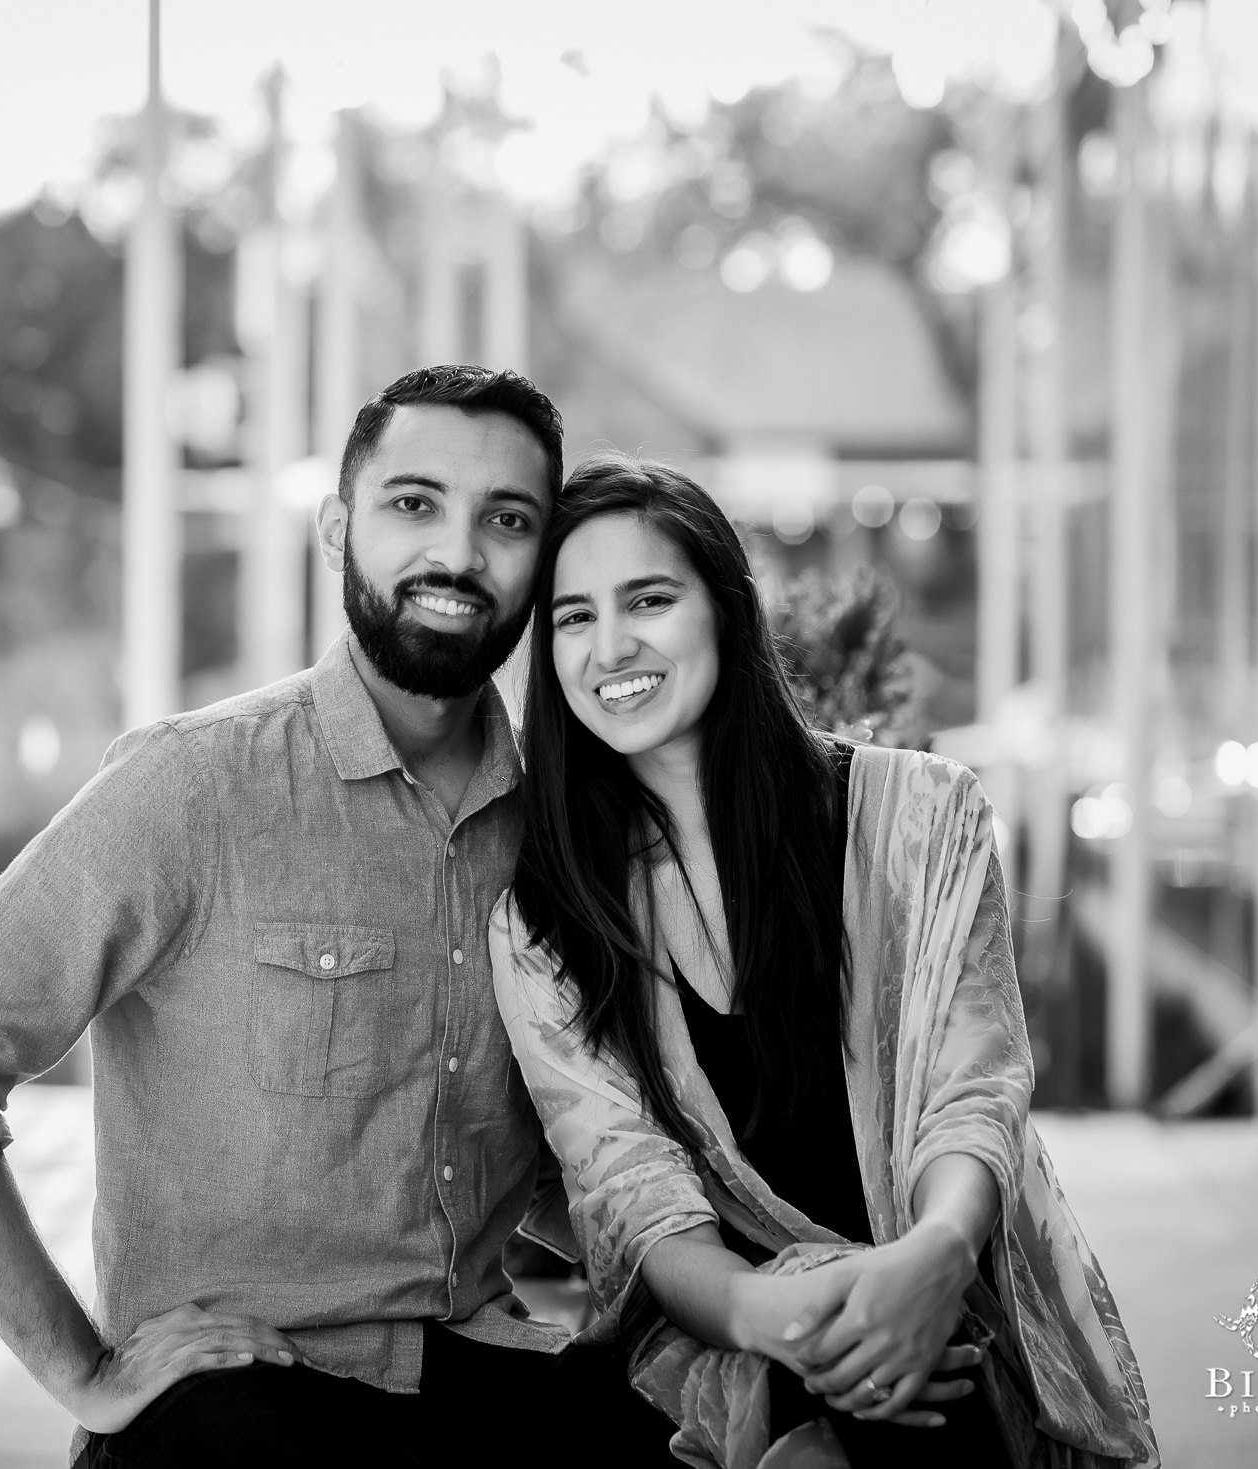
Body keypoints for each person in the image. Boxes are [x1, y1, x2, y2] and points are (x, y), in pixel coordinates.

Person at [0, 367, 680, 1468]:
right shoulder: (192, 785)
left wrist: (757, 1285)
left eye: (507, 519)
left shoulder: (554, 830)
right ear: (338, 529)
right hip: (237, 1407)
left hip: (480, 1375)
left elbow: (555, 1160)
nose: (458, 553)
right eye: (413, 503)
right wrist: (84, 1373)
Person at [489, 457, 1160, 1469]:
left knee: (927, 1394)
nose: (611, 644)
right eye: (574, 617)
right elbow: (631, 1194)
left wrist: (929, 1261)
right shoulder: (545, 919)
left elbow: (969, 1088)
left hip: (939, 1284)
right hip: (722, 1327)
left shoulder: (921, 813)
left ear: (725, 607)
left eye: (650, 599)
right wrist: (785, 1322)